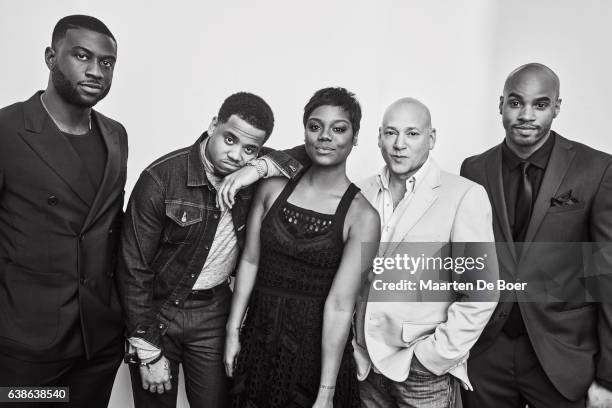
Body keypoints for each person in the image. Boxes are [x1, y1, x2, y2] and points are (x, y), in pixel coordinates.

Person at [117, 92, 304, 408]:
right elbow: (132, 267)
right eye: (229, 139)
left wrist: (257, 169)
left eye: (249, 149)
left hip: (214, 312)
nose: (236, 154)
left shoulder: (252, 171)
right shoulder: (161, 178)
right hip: (157, 311)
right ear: (213, 124)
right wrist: (147, 351)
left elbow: (313, 155)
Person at [460, 63, 612, 408]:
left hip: (563, 356)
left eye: (540, 105)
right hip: (486, 353)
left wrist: (608, 376)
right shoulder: (473, 169)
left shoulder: (596, 169)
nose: (526, 115)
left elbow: (606, 276)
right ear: (501, 104)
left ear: (557, 108)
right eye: (516, 103)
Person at [223, 87, 380, 408]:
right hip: (258, 342)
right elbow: (250, 261)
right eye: (315, 126)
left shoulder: (362, 215)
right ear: (305, 130)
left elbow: (340, 305)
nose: (325, 136)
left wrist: (326, 391)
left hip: (313, 356)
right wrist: (232, 332)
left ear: (355, 137)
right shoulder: (271, 189)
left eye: (338, 129)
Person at [0, 15, 126, 407]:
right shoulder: (7, 129)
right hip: (29, 344)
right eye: (82, 56)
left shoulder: (116, 135)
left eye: (107, 63)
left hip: (97, 342)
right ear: (51, 57)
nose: (95, 71)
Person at [351, 98, 498, 407]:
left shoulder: (464, 196)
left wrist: (432, 358)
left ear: (431, 139)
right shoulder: (360, 192)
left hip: (420, 373)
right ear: (379, 136)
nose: (399, 144)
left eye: (412, 134)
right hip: (364, 366)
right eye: (391, 133)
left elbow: (481, 292)